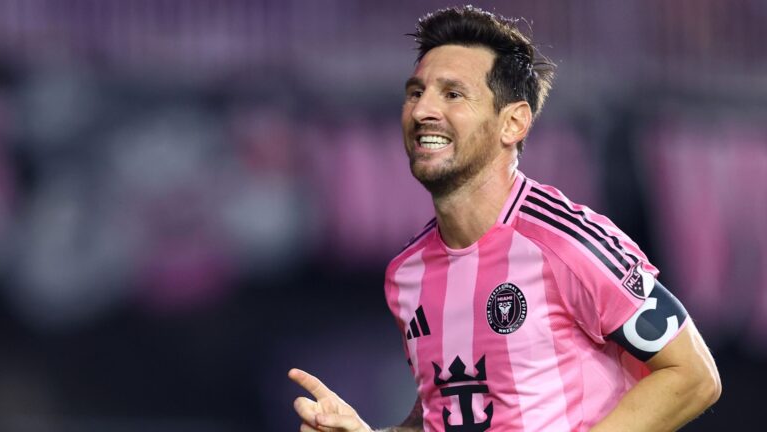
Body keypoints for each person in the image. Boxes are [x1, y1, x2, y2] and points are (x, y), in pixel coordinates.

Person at [289, 6, 721, 431]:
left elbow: (692, 375)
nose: (422, 111)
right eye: (416, 93)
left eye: (453, 94)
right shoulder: (407, 274)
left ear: (513, 123)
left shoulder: (566, 242)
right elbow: (447, 414)